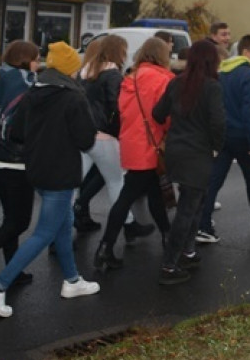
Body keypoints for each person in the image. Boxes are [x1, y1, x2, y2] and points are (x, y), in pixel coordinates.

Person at [0, 42, 99, 319]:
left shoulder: (34, 91)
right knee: (44, 232)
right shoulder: (74, 97)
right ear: (69, 69)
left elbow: (17, 132)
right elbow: (86, 140)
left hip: (36, 169)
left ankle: (72, 280)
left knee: (63, 224)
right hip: (61, 172)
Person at [93, 37, 175, 272]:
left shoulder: (130, 78)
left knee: (153, 192)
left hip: (132, 143)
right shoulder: (164, 80)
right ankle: (105, 247)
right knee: (128, 197)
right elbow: (166, 115)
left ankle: (167, 236)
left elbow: (122, 111)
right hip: (152, 144)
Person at [195, 35, 250, 244]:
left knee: (214, 181)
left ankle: (203, 225)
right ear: (245, 52)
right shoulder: (249, 75)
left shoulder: (223, 71)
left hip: (224, 135)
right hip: (242, 137)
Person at [152, 40, 226, 284]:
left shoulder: (176, 83)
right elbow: (218, 121)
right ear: (212, 60)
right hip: (198, 154)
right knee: (187, 209)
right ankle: (169, 265)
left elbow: (157, 113)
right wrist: (216, 146)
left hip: (176, 150)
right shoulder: (212, 87)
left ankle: (188, 251)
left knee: (195, 203)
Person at [80, 35, 154, 246]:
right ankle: (128, 224)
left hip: (85, 132)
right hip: (106, 136)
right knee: (116, 182)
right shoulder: (113, 75)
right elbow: (118, 107)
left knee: (74, 182)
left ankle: (61, 230)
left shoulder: (86, 73)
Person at [0, 40, 41, 280]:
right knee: (19, 222)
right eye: (36, 58)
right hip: (15, 159)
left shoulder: (2, 78)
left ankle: (12, 271)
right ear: (27, 60)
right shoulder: (25, 82)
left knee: (11, 218)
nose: (38, 63)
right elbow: (26, 123)